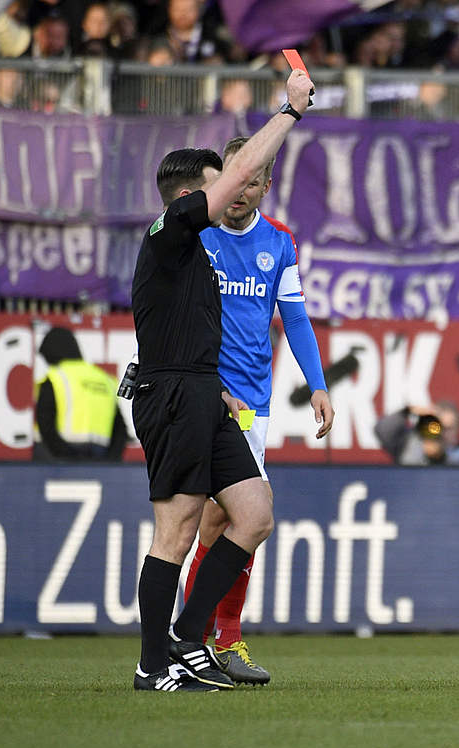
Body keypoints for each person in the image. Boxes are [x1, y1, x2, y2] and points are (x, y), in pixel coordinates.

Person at [127, 67, 314, 693]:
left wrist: (222, 387)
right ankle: (152, 665)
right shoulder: (169, 234)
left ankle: (186, 637)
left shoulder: (197, 249)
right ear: (186, 199)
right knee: (176, 531)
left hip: (205, 391)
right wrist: (288, 112)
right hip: (171, 395)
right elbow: (239, 173)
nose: (229, 193)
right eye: (215, 186)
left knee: (254, 512)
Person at [179, 135, 335, 686]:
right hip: (203, 396)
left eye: (252, 181)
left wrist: (317, 384)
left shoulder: (281, 244)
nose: (241, 191)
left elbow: (294, 319)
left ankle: (207, 638)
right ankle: (206, 637)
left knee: (230, 522)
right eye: (234, 179)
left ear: (266, 185)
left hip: (256, 408)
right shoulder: (197, 236)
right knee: (227, 518)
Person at [33, 326, 127, 462]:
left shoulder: (55, 378)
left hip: (60, 461)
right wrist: (109, 462)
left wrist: (68, 458)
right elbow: (120, 430)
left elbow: (45, 425)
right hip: (100, 459)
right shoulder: (105, 379)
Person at [375, 401, 459, 466]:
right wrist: (408, 411)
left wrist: (441, 456)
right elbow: (381, 430)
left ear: (458, 429)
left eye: (448, 428)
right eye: (439, 427)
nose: (442, 433)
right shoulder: (411, 442)